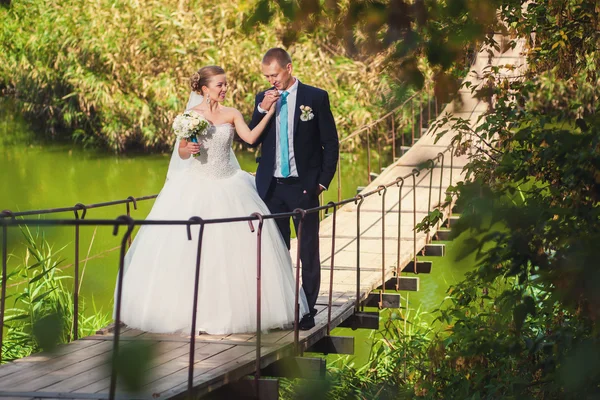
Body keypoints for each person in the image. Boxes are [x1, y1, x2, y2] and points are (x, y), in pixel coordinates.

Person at [116, 65, 308, 335]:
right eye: (220, 85)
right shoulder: (189, 117)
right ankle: (188, 312)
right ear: (205, 89)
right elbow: (182, 153)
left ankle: (238, 312)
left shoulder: (232, 114)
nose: (225, 88)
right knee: (191, 252)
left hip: (231, 185)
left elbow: (251, 138)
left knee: (234, 252)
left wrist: (270, 113)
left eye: (226, 84)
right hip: (196, 185)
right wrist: (188, 148)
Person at [248, 48, 339, 330]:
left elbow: (331, 144)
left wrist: (321, 183)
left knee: (307, 251)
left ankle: (307, 310)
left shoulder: (315, 97)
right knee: (276, 250)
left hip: (303, 187)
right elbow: (251, 139)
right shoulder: (262, 98)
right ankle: (282, 309)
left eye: (274, 74)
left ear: (288, 68)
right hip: (272, 188)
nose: (271, 80)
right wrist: (263, 108)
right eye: (266, 76)